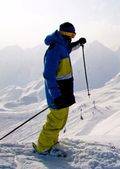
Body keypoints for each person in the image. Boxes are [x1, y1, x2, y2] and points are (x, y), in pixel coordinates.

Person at [32, 22, 86, 155]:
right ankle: (42, 147)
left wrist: (79, 43)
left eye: (74, 35)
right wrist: (56, 96)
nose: (72, 37)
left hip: (64, 91)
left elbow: (69, 48)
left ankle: (52, 142)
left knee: (61, 120)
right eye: (71, 35)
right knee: (55, 121)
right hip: (58, 93)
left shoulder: (62, 46)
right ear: (65, 34)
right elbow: (48, 75)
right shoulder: (55, 49)